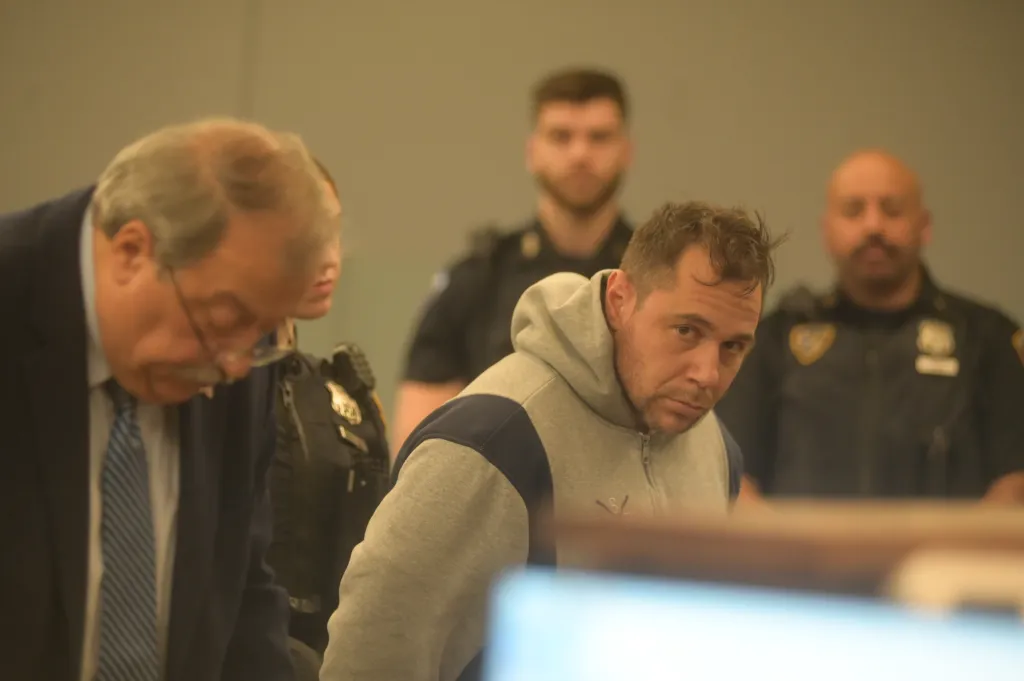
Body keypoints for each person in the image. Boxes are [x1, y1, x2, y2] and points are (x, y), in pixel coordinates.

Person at [320, 200, 781, 681]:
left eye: (733, 347)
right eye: (686, 331)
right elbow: (371, 650)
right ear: (621, 300)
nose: (707, 374)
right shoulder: (492, 441)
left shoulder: (715, 450)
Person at [0, 117, 338, 681]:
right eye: (225, 320)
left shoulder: (229, 345)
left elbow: (244, 590)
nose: (232, 368)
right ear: (132, 250)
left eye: (262, 332)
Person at [715, 149, 1024, 503]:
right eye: (853, 210)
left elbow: (1014, 482)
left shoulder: (986, 336)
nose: (873, 225)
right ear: (827, 232)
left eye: (892, 210)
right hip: (798, 556)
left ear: (925, 226)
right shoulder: (775, 338)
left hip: (944, 557)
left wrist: (954, 558)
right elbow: (736, 479)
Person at [392, 67, 636, 458]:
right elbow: (417, 443)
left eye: (599, 137)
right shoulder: (476, 279)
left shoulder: (657, 281)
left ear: (626, 151)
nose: (580, 153)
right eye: (561, 136)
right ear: (531, 152)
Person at [266, 159, 391, 657]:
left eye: (332, 231)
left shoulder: (340, 393)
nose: (328, 256)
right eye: (304, 235)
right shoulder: (203, 388)